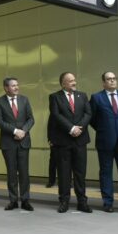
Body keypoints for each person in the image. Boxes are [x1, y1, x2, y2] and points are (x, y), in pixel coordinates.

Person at [91, 71, 118, 213]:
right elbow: (92, 119)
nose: (112, 81)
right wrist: (105, 129)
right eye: (109, 79)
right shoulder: (96, 98)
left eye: (114, 78)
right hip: (105, 140)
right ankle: (108, 202)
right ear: (103, 82)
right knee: (106, 172)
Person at [49, 72, 93, 213]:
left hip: (80, 140)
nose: (74, 82)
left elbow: (88, 113)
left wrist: (79, 127)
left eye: (74, 80)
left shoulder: (82, 95)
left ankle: (82, 202)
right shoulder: (55, 97)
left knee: (80, 172)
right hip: (63, 141)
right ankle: (64, 201)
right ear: (63, 83)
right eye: (70, 81)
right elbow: (56, 115)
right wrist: (71, 128)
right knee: (64, 173)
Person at [0, 77, 35, 211]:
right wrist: (15, 131)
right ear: (6, 88)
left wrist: (23, 131)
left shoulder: (24, 99)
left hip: (24, 141)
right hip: (8, 143)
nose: (17, 87)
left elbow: (31, 119)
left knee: (24, 173)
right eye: (13, 86)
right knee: (11, 173)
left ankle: (25, 200)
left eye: (17, 85)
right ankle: (13, 200)